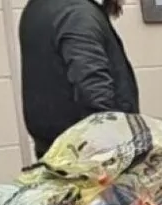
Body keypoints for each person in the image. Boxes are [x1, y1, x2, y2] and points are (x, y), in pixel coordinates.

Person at [19, 0, 139, 159]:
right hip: (88, 158)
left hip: (56, 151)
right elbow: (95, 99)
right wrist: (111, 156)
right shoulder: (77, 15)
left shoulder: (38, 7)